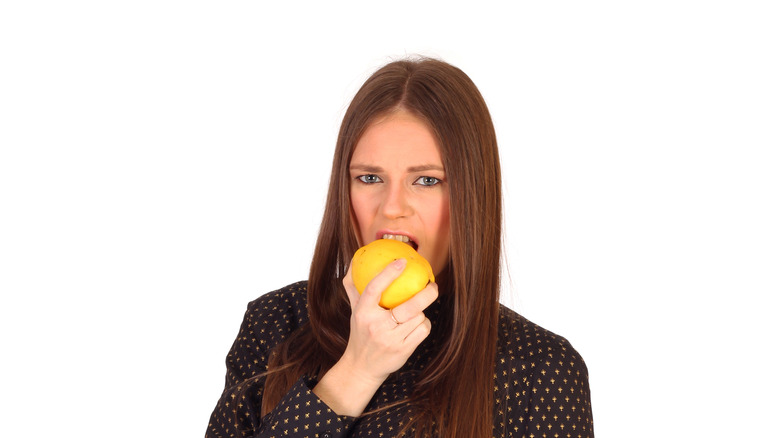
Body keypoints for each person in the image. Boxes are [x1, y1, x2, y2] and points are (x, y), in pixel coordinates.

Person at [205, 57, 594, 438]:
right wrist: (357, 371)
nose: (391, 207)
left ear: (472, 196)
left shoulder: (542, 369)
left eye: (426, 181)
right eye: (370, 177)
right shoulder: (275, 324)